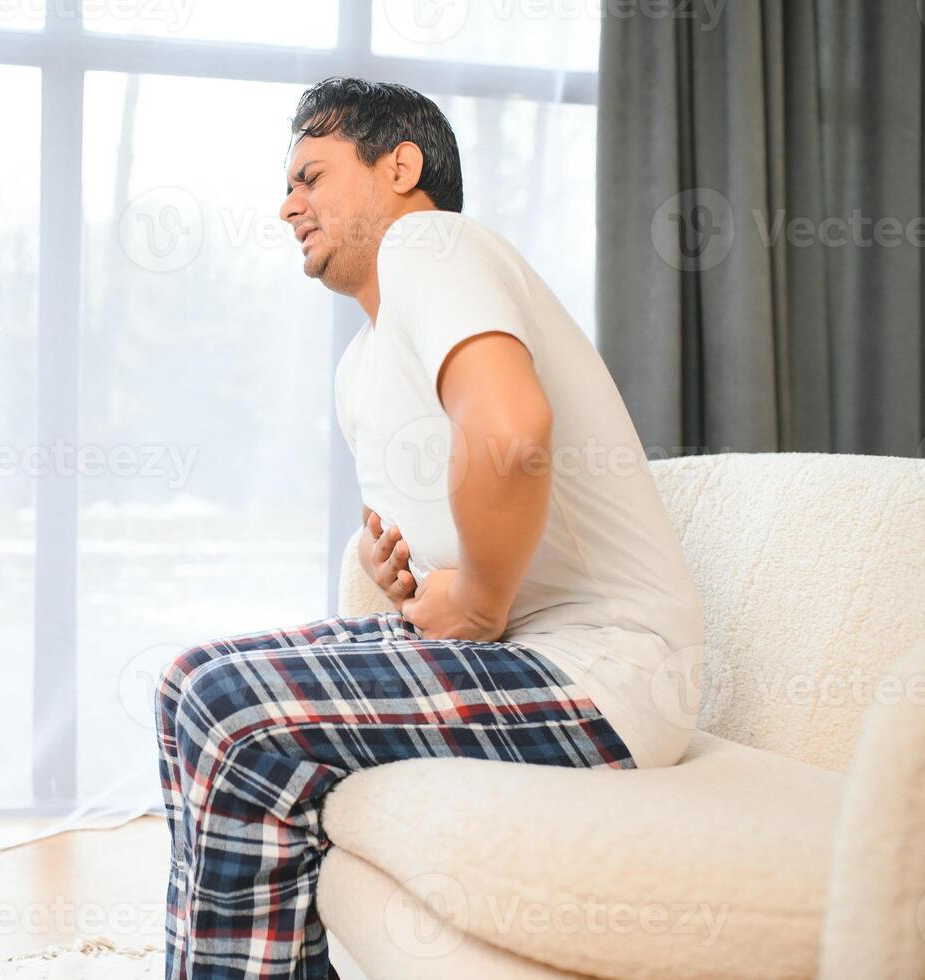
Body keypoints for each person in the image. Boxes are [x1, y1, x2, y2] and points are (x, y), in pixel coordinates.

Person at [155, 76, 705, 980]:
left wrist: (480, 602)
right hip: (516, 658)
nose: (285, 204)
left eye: (311, 175)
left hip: (607, 672)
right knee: (187, 684)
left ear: (400, 165)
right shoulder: (362, 362)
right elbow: (456, 502)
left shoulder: (431, 241)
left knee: (229, 706)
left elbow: (511, 435)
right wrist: (395, 563)